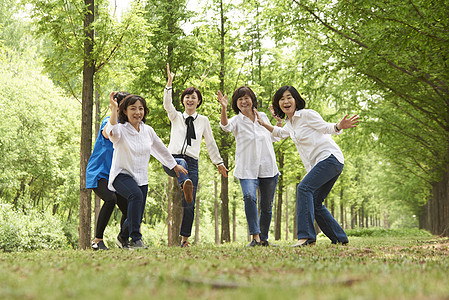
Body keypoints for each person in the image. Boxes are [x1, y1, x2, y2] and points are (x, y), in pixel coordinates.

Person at [255, 86, 359, 247]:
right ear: (278, 104)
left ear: (296, 99)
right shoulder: (290, 123)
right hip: (323, 163)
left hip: (329, 158)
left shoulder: (306, 115)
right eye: (281, 99)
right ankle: (339, 238)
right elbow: (281, 133)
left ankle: (306, 237)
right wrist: (263, 124)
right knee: (315, 202)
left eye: (289, 97)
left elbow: (325, 127)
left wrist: (339, 126)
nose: (286, 101)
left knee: (304, 188)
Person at [106, 92, 188, 249]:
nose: (137, 112)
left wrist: (173, 165)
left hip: (141, 177)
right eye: (133, 109)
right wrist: (114, 110)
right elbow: (112, 132)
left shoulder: (147, 130)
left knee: (137, 210)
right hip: (121, 175)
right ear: (124, 111)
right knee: (135, 196)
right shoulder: (121, 129)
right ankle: (136, 239)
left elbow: (160, 148)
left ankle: (122, 237)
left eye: (140, 108)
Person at [163, 64, 228, 248]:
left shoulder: (203, 121)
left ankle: (184, 240)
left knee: (189, 203)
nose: (190, 100)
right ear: (183, 100)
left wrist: (219, 163)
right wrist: (169, 83)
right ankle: (185, 183)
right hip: (172, 159)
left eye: (194, 98)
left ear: (198, 102)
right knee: (180, 161)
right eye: (187, 97)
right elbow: (167, 104)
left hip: (192, 164)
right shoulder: (175, 116)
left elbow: (211, 143)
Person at [218, 87, 280, 247]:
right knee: (249, 197)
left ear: (252, 99)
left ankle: (264, 239)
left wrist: (277, 121)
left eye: (246, 98)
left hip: (268, 168)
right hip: (247, 169)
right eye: (240, 99)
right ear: (236, 104)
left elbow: (275, 136)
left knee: (266, 206)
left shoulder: (263, 116)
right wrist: (223, 108)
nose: (244, 101)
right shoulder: (236, 120)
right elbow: (224, 126)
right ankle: (255, 237)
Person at [86, 92, 130, 250]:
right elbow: (107, 132)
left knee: (131, 205)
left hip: (114, 175)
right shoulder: (108, 121)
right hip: (98, 173)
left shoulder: (127, 126)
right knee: (110, 199)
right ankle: (97, 241)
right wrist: (114, 109)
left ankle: (123, 239)